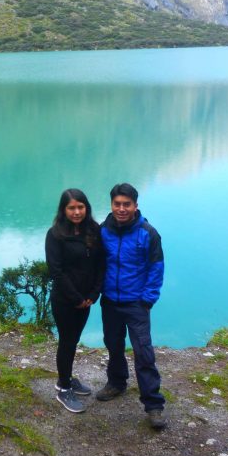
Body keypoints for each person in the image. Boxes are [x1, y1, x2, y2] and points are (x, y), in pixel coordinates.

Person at [96, 183, 167, 429]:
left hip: (136, 303)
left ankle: (154, 405)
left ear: (136, 205)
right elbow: (95, 262)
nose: (122, 208)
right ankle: (117, 382)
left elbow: (156, 268)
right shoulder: (103, 230)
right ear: (112, 205)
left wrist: (148, 298)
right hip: (110, 302)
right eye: (117, 204)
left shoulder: (147, 233)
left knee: (143, 352)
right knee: (113, 345)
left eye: (127, 204)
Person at [45, 188, 105, 413]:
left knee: (74, 339)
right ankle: (63, 387)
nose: (77, 211)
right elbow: (56, 272)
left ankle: (68, 378)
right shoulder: (55, 234)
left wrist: (94, 294)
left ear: (86, 208)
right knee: (67, 341)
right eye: (72, 208)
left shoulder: (93, 230)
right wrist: (77, 298)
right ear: (63, 210)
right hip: (65, 300)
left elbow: (101, 264)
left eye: (81, 207)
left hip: (86, 299)